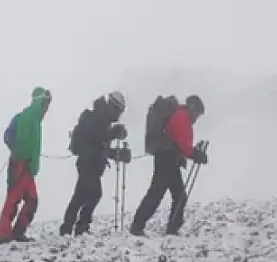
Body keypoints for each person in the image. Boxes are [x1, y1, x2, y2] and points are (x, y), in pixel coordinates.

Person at [129, 94, 207, 237]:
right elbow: (183, 145)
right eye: (197, 114)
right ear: (192, 108)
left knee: (164, 193)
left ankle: (143, 225)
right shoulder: (182, 118)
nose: (197, 118)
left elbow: (180, 143)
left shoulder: (180, 116)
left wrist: (191, 153)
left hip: (165, 157)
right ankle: (146, 226)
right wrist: (196, 154)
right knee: (167, 194)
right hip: (167, 159)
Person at [60, 91, 130, 236]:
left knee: (80, 196)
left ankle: (68, 228)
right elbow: (96, 139)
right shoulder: (99, 117)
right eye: (119, 111)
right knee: (94, 194)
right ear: (113, 107)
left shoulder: (101, 118)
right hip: (88, 163)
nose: (119, 115)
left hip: (89, 162)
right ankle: (80, 227)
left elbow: (99, 145)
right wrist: (114, 134)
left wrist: (116, 153)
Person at [0, 87, 51, 243]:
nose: (47, 107)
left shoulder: (34, 119)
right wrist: (19, 159)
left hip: (26, 166)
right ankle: (5, 235)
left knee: (29, 200)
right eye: (46, 102)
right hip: (21, 165)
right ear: (40, 101)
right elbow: (21, 141)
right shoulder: (29, 117)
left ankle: (15, 233)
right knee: (15, 199)